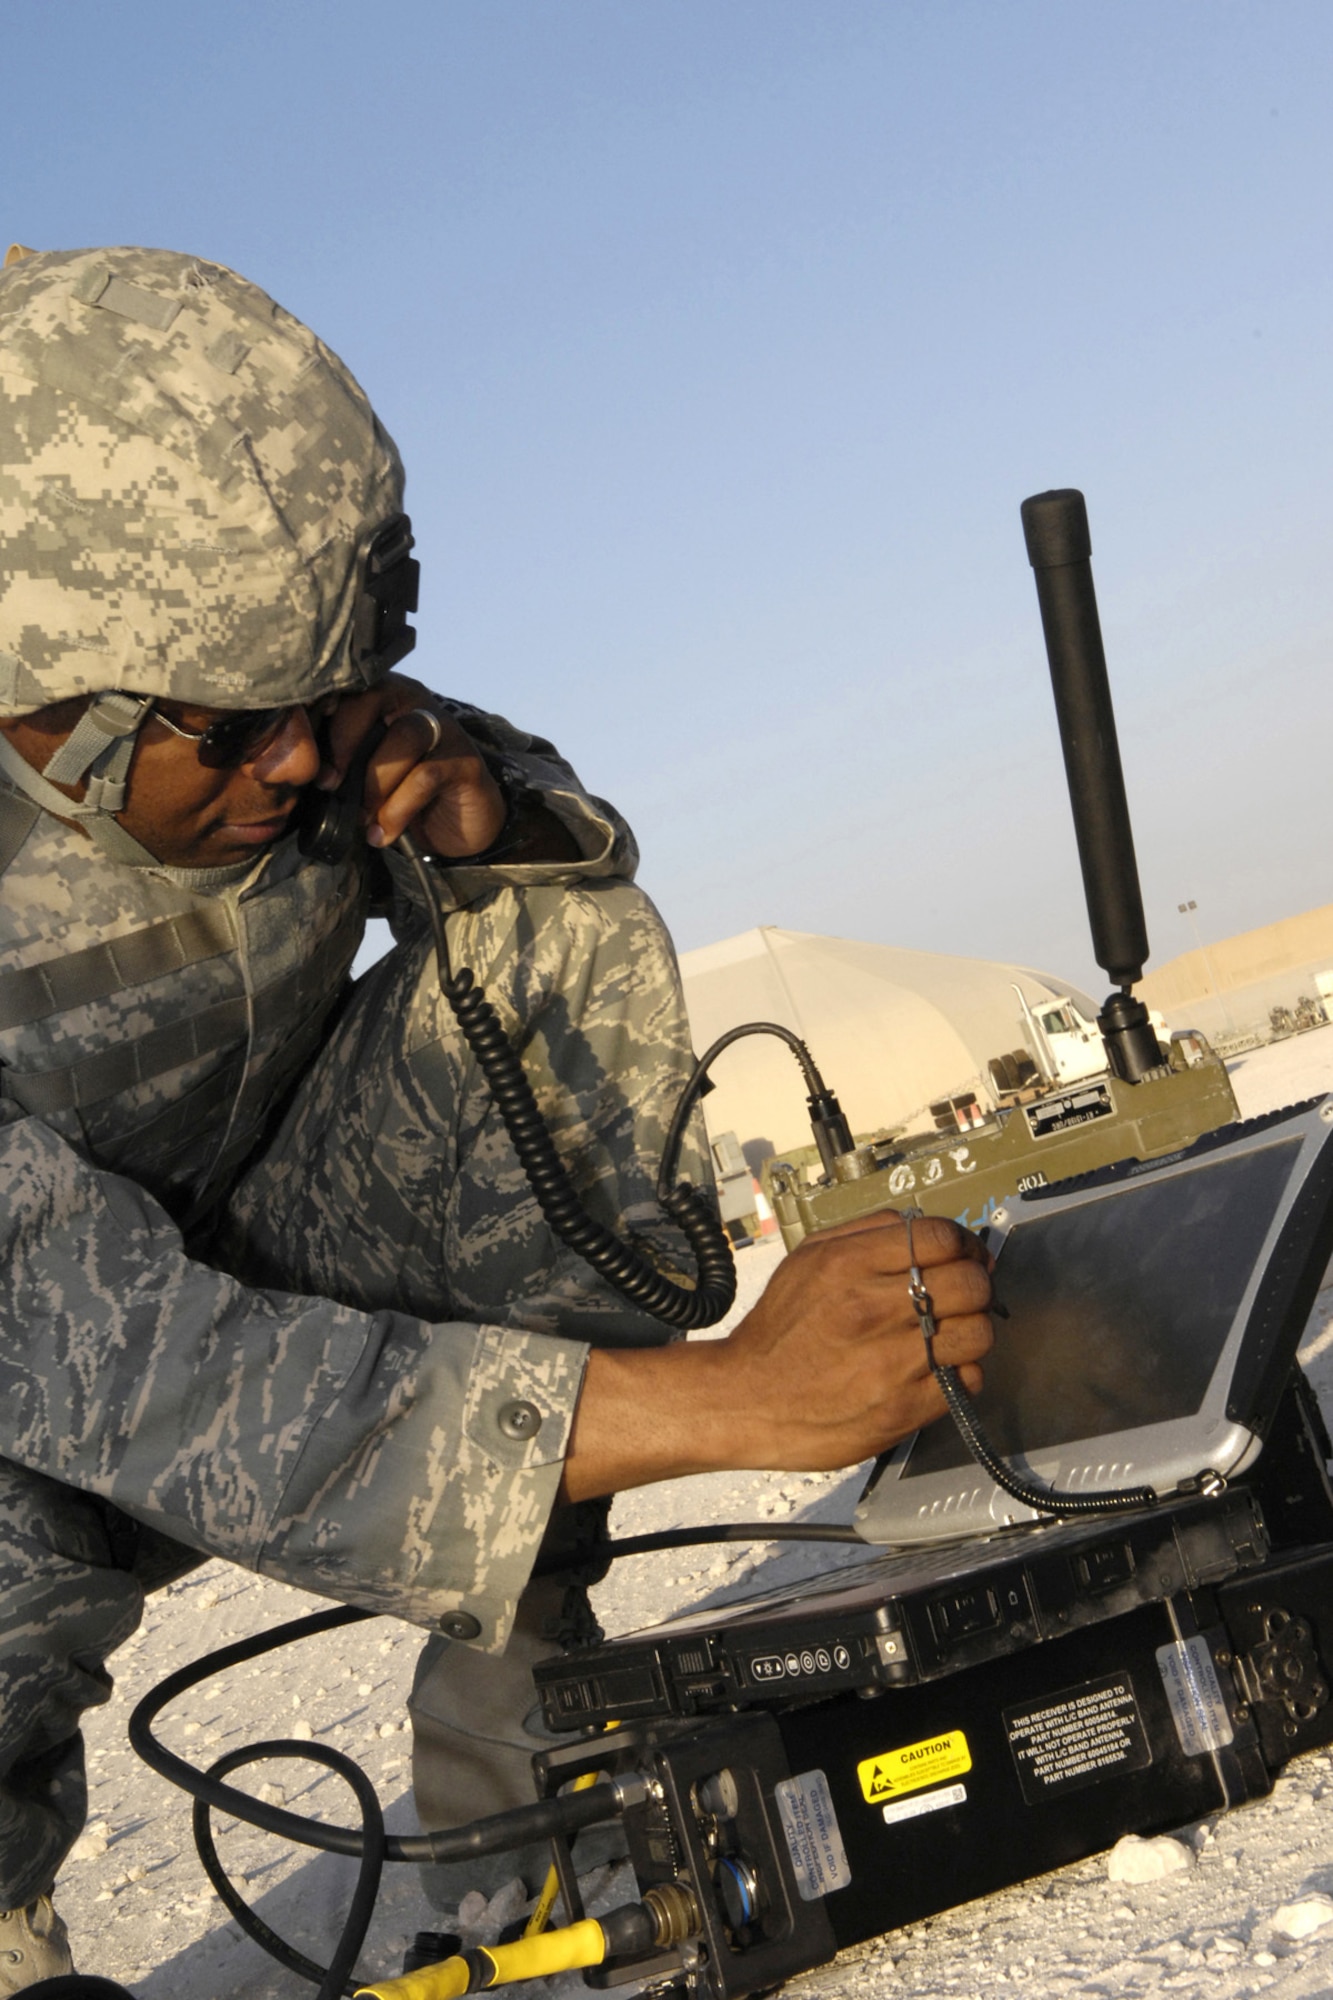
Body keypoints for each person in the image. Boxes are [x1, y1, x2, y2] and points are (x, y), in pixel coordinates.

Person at [0, 244, 994, 1989]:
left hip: (216, 1251)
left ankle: (533, 1757)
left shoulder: (277, 726)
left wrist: (482, 818)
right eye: (234, 732)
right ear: (34, 701)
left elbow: (487, 824)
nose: (299, 770)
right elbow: (145, 1369)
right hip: (63, 1372)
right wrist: (734, 1405)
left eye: (335, 694)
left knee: (535, 942)